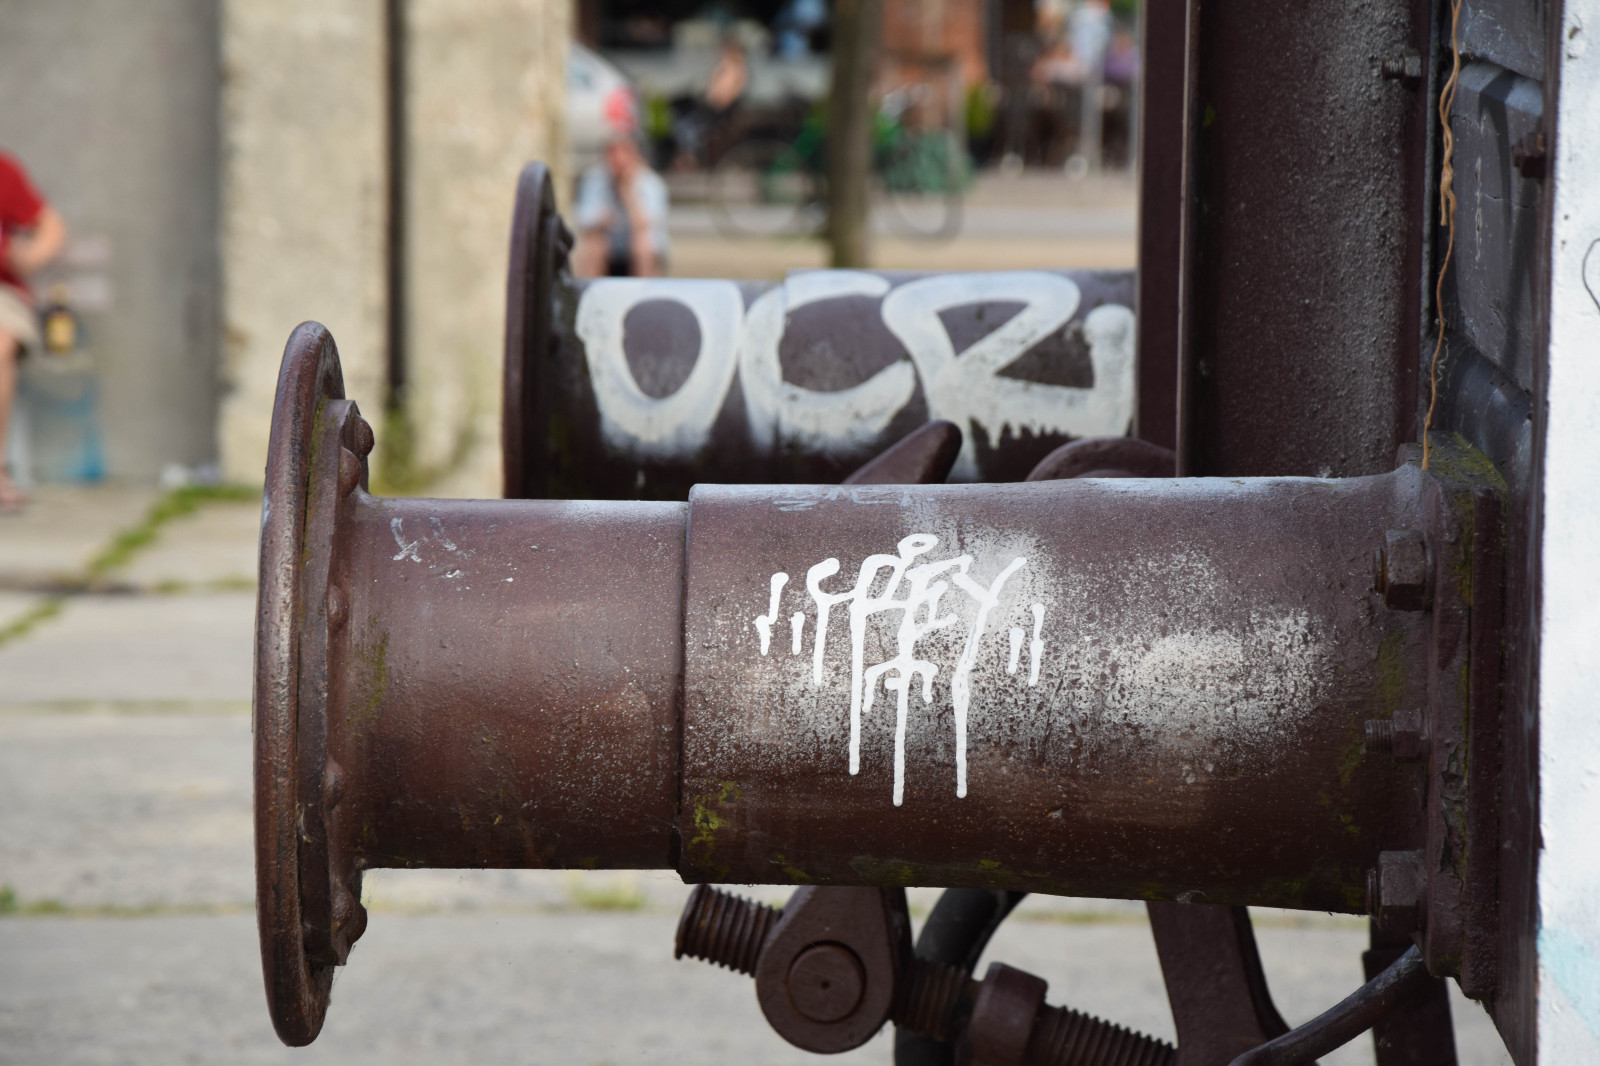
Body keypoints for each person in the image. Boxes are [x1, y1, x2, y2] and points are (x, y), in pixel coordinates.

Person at [0, 152, 65, 512]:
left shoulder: (2, 170)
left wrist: (29, 257)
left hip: (2, 294)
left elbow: (51, 226)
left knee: (0, 341)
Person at [573, 132, 670, 278]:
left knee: (642, 243)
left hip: (640, 252)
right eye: (613, 153)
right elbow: (581, 219)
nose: (618, 159)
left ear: (635, 155)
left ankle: (643, 294)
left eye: (624, 152)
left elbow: (647, 224)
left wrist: (628, 194)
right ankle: (590, 295)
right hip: (607, 250)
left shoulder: (651, 183)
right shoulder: (594, 179)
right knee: (593, 242)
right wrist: (601, 219)